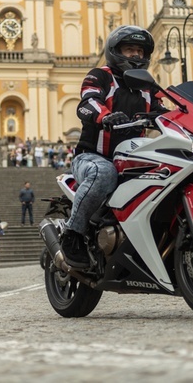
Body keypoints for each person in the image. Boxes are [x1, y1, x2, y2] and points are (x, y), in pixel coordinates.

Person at [61, 25, 166, 268]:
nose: (136, 56)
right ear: (115, 51)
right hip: (93, 157)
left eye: (140, 51)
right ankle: (73, 235)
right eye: (130, 50)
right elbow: (87, 103)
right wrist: (105, 116)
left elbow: (165, 113)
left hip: (132, 159)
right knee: (104, 173)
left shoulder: (149, 87)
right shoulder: (100, 75)